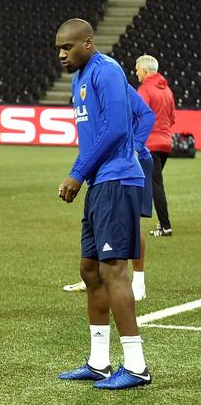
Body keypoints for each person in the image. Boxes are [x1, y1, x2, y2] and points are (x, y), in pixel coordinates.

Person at [53, 18, 150, 389]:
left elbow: (118, 129)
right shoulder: (81, 76)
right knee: (90, 270)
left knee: (113, 270)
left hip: (117, 180)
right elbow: (133, 115)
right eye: (59, 49)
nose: (62, 54)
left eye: (68, 47)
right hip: (101, 182)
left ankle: (137, 366)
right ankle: (98, 362)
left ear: (88, 43)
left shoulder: (105, 70)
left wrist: (78, 172)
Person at [63, 81, 155, 301]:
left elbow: (147, 115)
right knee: (98, 222)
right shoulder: (81, 83)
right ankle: (94, 277)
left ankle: (138, 282)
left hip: (130, 163)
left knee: (133, 224)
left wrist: (136, 146)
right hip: (104, 165)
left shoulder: (112, 82)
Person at [135, 55, 176, 237]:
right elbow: (173, 118)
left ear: (144, 70)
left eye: (137, 69)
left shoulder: (144, 90)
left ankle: (165, 226)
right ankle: (162, 224)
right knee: (154, 183)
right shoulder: (167, 90)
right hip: (166, 143)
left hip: (149, 144)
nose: (135, 72)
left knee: (154, 185)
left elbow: (138, 115)